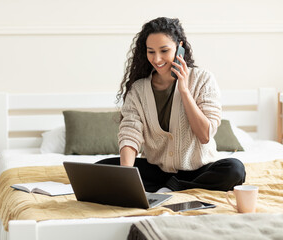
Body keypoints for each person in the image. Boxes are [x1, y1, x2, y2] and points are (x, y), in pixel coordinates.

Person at [96, 17, 246, 193]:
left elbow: (205, 135)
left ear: (179, 47)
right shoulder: (138, 89)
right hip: (157, 171)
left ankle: (171, 189)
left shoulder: (203, 79)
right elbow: (130, 133)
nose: (157, 58)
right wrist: (126, 179)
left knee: (234, 169)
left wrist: (184, 90)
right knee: (102, 168)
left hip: (199, 170)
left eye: (164, 50)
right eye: (150, 51)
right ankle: (175, 188)